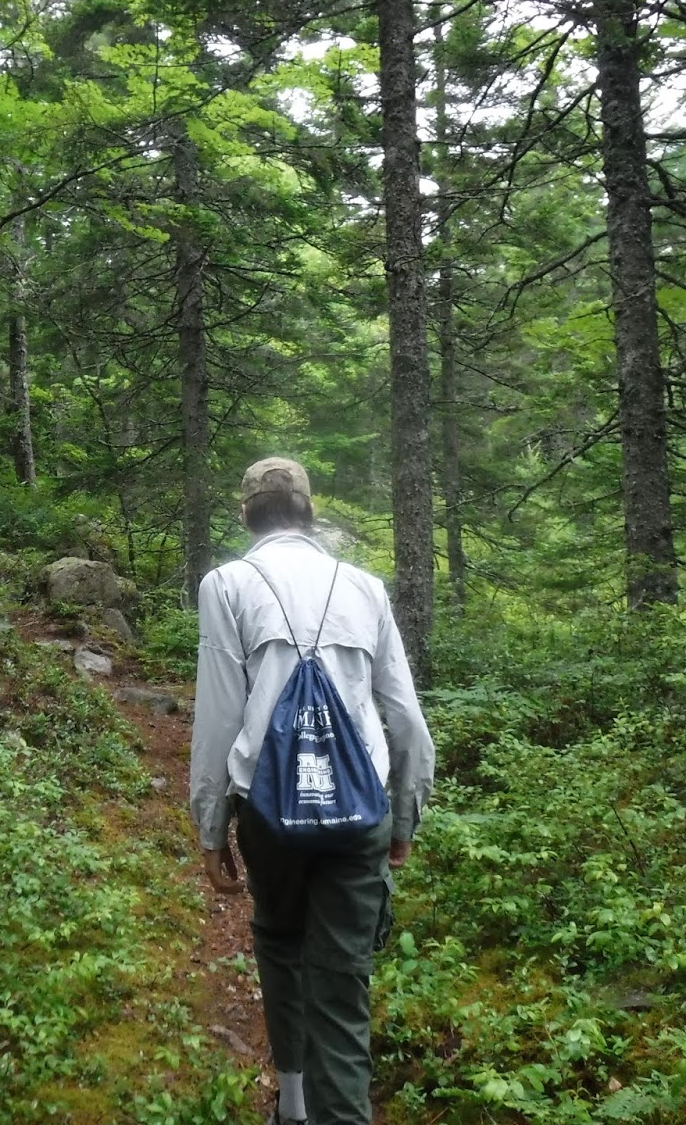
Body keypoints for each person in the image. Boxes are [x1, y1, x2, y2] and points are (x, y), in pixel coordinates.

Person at [189, 457, 435, 1125]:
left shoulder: (227, 584)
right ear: (308, 511)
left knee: (277, 934)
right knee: (342, 981)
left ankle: (292, 1107)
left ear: (247, 513)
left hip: (268, 812)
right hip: (360, 814)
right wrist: (405, 818)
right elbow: (406, 717)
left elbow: (217, 715)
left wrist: (210, 827)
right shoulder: (363, 587)